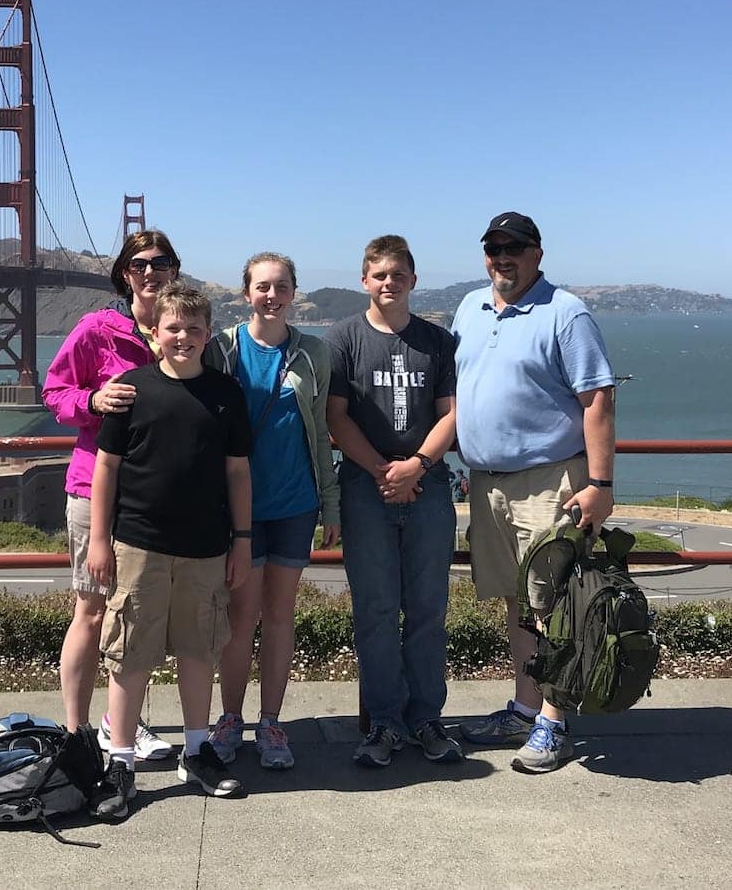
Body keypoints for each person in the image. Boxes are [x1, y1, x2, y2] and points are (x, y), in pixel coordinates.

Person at [450, 211, 616, 775]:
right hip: (487, 484)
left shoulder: (566, 313)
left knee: (556, 604)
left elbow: (597, 399)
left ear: (537, 253)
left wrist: (600, 485)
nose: (503, 256)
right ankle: (525, 708)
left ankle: (554, 720)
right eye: (494, 246)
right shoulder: (469, 307)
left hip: (549, 481)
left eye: (514, 247)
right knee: (518, 601)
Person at [84, 283, 254, 818]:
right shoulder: (130, 389)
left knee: (200, 649)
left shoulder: (226, 394)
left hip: (206, 547)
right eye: (173, 328)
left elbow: (238, 471)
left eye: (194, 329)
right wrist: (98, 539)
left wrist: (243, 541)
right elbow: (105, 467)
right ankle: (121, 763)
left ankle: (198, 750)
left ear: (208, 335)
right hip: (137, 544)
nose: (183, 337)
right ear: (154, 334)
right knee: (129, 653)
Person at [41, 230, 182, 761]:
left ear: (174, 271)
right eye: (139, 264)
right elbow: (55, 393)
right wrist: (94, 399)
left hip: (156, 493)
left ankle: (121, 723)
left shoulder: (181, 332)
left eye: (161, 263)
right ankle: (75, 733)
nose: (150, 272)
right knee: (92, 609)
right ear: (125, 273)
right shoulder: (96, 329)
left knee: (141, 615)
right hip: (93, 488)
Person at [325, 235, 462, 767]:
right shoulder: (342, 338)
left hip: (427, 486)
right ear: (364, 280)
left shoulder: (438, 341)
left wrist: (417, 466)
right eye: (379, 274)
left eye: (398, 274)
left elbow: (450, 413)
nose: (389, 283)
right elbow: (337, 417)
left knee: (429, 609)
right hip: (366, 486)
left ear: (413, 280)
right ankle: (382, 723)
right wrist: (383, 469)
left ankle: (427, 719)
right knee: (375, 612)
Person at [205, 252, 340, 770]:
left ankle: (272, 723)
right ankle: (231, 719)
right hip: (236, 507)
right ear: (246, 294)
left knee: (280, 616)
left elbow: (322, 434)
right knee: (241, 618)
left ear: (293, 292)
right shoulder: (223, 348)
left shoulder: (314, 353)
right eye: (262, 286)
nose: (271, 295)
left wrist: (332, 503)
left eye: (280, 286)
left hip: (294, 502)